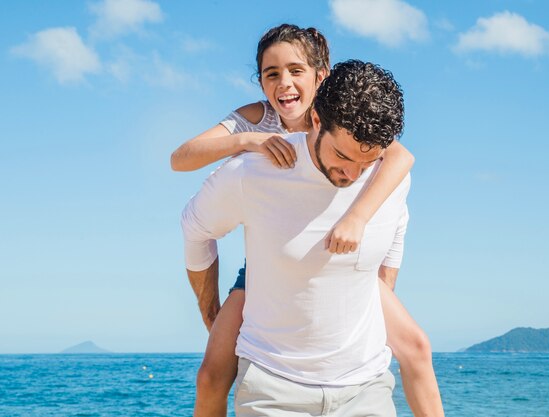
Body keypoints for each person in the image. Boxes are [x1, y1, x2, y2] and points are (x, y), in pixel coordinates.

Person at [173, 24, 444, 417]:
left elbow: (401, 160)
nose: (285, 83)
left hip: (347, 262)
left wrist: (358, 218)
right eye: (272, 73)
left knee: (416, 347)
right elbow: (181, 159)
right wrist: (247, 141)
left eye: (296, 70)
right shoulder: (258, 120)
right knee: (212, 374)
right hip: (266, 266)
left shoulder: (354, 117)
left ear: (322, 77)